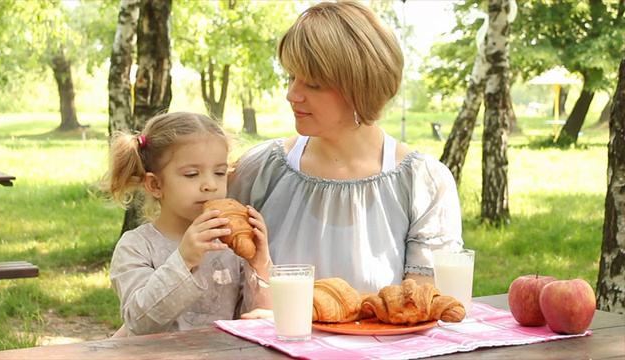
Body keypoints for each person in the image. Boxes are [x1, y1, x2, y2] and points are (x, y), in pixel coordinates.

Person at [227, 0, 463, 294]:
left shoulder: (424, 183)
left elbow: (422, 307)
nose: (291, 94)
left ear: (362, 88)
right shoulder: (260, 169)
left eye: (312, 84)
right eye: (291, 77)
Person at [98, 112, 272, 336]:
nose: (210, 184)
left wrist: (259, 266)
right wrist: (183, 260)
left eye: (219, 172)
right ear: (155, 184)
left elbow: (256, 320)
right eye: (192, 174)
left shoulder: (230, 246)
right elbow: (139, 323)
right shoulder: (137, 247)